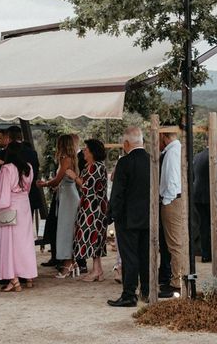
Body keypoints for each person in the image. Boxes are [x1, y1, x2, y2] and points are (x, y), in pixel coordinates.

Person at [107, 127, 150, 307]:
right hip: (148, 216)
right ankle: (147, 291)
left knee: (129, 256)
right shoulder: (153, 161)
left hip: (127, 218)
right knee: (145, 255)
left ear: (126, 144)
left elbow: (117, 194)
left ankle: (129, 294)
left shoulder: (124, 163)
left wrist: (110, 216)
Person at [0, 142, 37, 292]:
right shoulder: (28, 167)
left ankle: (14, 279)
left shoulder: (7, 169)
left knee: (9, 243)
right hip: (24, 204)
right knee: (24, 242)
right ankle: (29, 277)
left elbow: (2, 190)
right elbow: (29, 187)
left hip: (10, 204)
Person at [66, 138, 108, 282]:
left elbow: (87, 188)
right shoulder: (95, 166)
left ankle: (97, 270)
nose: (83, 151)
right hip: (95, 207)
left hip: (93, 208)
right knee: (95, 238)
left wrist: (74, 177)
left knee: (92, 237)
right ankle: (98, 269)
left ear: (92, 152)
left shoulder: (94, 167)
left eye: (86, 149)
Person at [37, 134, 80, 278]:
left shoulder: (64, 159)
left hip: (68, 197)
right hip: (68, 195)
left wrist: (44, 184)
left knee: (66, 230)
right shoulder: (72, 158)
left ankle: (68, 264)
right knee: (68, 230)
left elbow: (56, 180)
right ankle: (71, 262)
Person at [158, 131, 186, 298]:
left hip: (171, 201)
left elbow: (173, 180)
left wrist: (166, 200)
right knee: (173, 243)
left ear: (164, 136)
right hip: (172, 199)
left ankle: (177, 282)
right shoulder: (174, 150)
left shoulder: (173, 152)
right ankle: (175, 279)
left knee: (174, 244)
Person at [71, 133, 88, 274]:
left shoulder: (82, 158)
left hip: (81, 194)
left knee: (79, 228)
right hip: (73, 193)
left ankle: (81, 262)